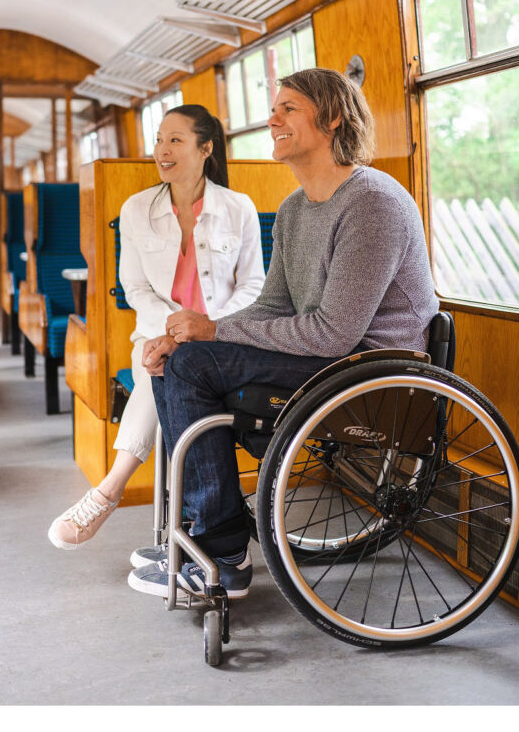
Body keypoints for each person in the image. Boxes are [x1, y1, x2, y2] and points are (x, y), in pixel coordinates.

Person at [128, 67, 439, 600]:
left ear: (334, 117)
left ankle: (221, 550)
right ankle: (208, 535)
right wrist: (198, 334)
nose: (272, 118)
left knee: (192, 363)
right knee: (177, 357)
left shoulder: (372, 202)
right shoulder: (295, 209)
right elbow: (273, 305)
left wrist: (212, 333)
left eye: (288, 108)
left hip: (371, 367)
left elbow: (335, 333)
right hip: (328, 356)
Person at [48, 104, 265, 550]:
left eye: (175, 140)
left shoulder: (239, 207)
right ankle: (122, 492)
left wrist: (205, 326)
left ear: (206, 148)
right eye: (159, 140)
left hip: (222, 340)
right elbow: (135, 288)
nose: (162, 150)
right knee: (162, 362)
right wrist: (171, 333)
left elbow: (254, 289)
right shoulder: (135, 209)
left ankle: (110, 489)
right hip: (154, 336)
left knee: (173, 362)